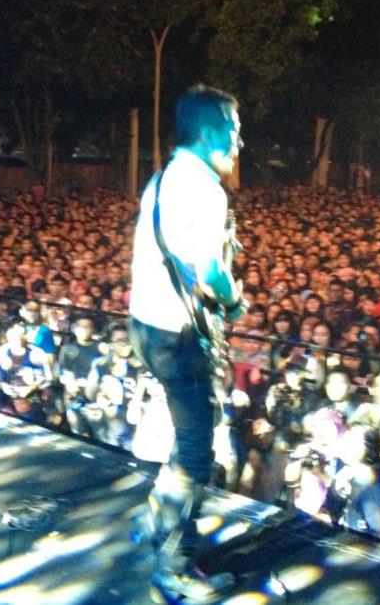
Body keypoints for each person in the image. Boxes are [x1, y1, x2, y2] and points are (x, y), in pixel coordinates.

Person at [128, 84, 244, 602]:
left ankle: (156, 517)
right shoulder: (204, 189)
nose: (239, 141)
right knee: (197, 453)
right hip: (174, 337)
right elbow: (208, 271)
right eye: (233, 129)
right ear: (209, 132)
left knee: (190, 427)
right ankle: (172, 568)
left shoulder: (163, 178)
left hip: (146, 327)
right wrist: (234, 299)